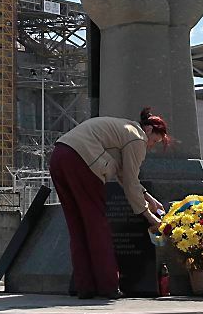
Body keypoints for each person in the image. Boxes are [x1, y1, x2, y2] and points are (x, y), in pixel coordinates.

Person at [49, 107, 169, 299]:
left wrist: (149, 198)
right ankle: (108, 287)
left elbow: (125, 175)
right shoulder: (138, 138)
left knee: (77, 228)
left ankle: (85, 287)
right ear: (148, 130)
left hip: (59, 156)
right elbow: (130, 183)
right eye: (154, 141)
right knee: (97, 226)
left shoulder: (124, 129)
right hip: (83, 161)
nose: (151, 146)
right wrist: (150, 217)